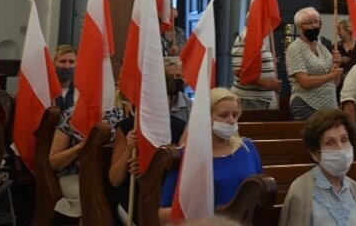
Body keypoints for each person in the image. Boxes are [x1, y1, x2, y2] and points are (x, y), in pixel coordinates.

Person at [158, 88, 263, 222]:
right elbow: (163, 212)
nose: (231, 121)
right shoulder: (188, 156)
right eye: (224, 115)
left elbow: (260, 192)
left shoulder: (247, 148)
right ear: (206, 116)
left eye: (235, 115)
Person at [110, 71, 187, 225]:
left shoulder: (180, 127)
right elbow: (115, 179)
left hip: (167, 198)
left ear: (171, 100)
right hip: (133, 199)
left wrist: (152, 168)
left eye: (161, 97)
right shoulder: (127, 127)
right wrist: (129, 148)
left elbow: (183, 172)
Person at [278, 109, 356, 225]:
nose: (340, 149)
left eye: (344, 140)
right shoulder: (300, 191)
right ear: (315, 153)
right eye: (330, 142)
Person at [48, 105, 124, 218]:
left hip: (108, 177)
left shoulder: (117, 114)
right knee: (99, 196)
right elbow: (54, 161)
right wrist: (80, 148)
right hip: (76, 177)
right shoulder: (71, 114)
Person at [286, 7, 342, 120]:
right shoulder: (295, 48)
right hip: (307, 105)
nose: (314, 26)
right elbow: (305, 82)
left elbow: (334, 83)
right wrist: (330, 75)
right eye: (309, 23)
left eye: (317, 22)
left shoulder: (322, 47)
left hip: (330, 105)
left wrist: (338, 64)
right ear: (300, 26)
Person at [231, 26, 281, 110]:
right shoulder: (247, 37)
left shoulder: (261, 36)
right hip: (250, 99)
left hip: (261, 99)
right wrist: (267, 84)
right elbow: (239, 71)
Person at [165, 56, 193, 122]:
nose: (175, 79)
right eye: (170, 76)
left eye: (178, 76)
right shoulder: (149, 103)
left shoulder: (190, 107)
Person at [53, 45, 77, 113]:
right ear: (54, 63)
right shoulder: (44, 91)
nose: (67, 66)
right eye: (62, 61)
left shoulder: (81, 93)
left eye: (71, 62)